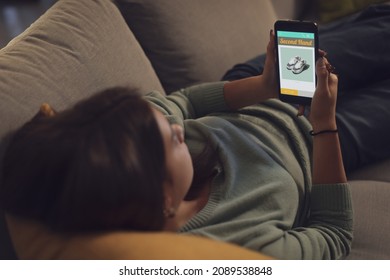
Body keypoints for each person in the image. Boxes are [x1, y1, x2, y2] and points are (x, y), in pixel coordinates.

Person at [0, 29, 351, 260]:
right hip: (323, 144)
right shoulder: (238, 247)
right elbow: (333, 235)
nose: (178, 130)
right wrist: (324, 124)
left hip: (254, 91)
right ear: (162, 198)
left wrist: (264, 86)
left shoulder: (128, 138)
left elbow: (185, 102)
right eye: (173, 140)